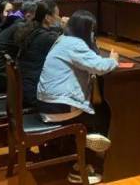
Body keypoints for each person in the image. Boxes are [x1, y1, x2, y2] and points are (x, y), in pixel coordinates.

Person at [36, 11, 119, 184]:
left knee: (98, 110)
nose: (93, 34)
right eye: (92, 30)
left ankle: (81, 150)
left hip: (47, 102)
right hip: (59, 106)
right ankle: (82, 166)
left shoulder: (63, 39)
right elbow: (100, 67)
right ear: (86, 30)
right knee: (102, 114)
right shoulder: (75, 44)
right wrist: (113, 60)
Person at [15, 0, 63, 109]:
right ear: (47, 17)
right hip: (34, 93)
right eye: (57, 15)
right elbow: (68, 47)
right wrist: (67, 28)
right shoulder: (46, 38)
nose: (59, 18)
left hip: (23, 88)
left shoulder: (32, 29)